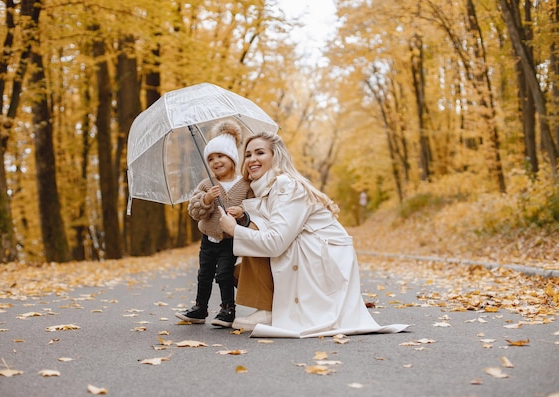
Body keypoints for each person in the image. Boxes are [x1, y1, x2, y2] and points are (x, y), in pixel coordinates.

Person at [219, 131, 409, 338]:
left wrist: (234, 230)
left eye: (260, 153)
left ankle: (269, 309)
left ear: (276, 156)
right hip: (315, 251)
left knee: (255, 235)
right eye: (248, 155)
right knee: (251, 234)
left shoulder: (286, 185)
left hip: (322, 258)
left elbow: (276, 241)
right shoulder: (268, 187)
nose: (252, 159)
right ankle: (267, 305)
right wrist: (245, 218)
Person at [175, 120, 252, 328]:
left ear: (232, 158)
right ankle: (200, 308)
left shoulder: (244, 184)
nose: (216, 162)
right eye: (210, 159)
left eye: (220, 156)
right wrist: (207, 199)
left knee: (224, 274)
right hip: (208, 240)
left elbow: (253, 210)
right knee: (204, 274)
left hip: (229, 240)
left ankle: (228, 309)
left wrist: (241, 213)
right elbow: (194, 211)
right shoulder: (206, 184)